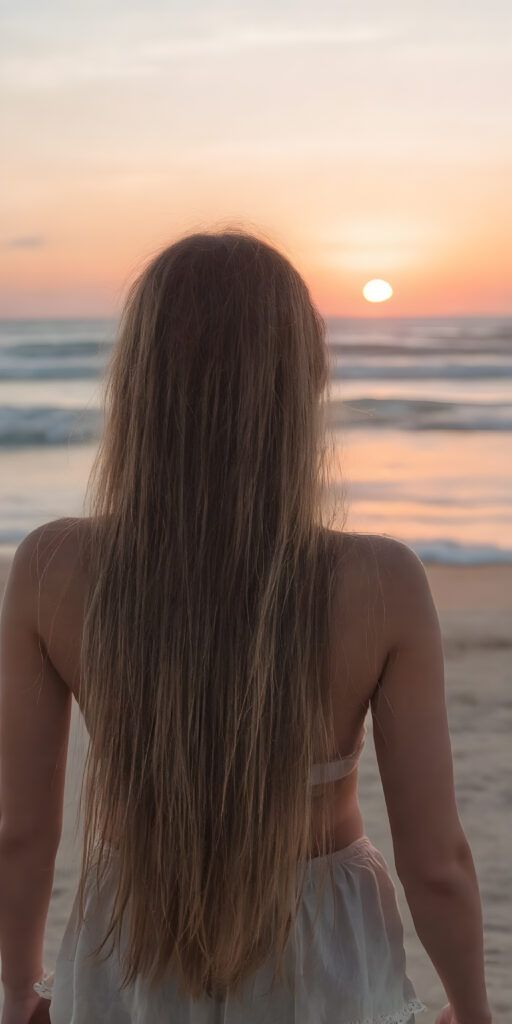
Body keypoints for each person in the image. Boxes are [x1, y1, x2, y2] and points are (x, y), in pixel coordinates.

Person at [0, 231, 492, 1024]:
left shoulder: (53, 568)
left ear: (135, 382)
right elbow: (437, 861)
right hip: (322, 955)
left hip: (131, 944)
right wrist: (472, 1009)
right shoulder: (381, 583)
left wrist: (18, 989)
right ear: (307, 381)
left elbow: (21, 833)